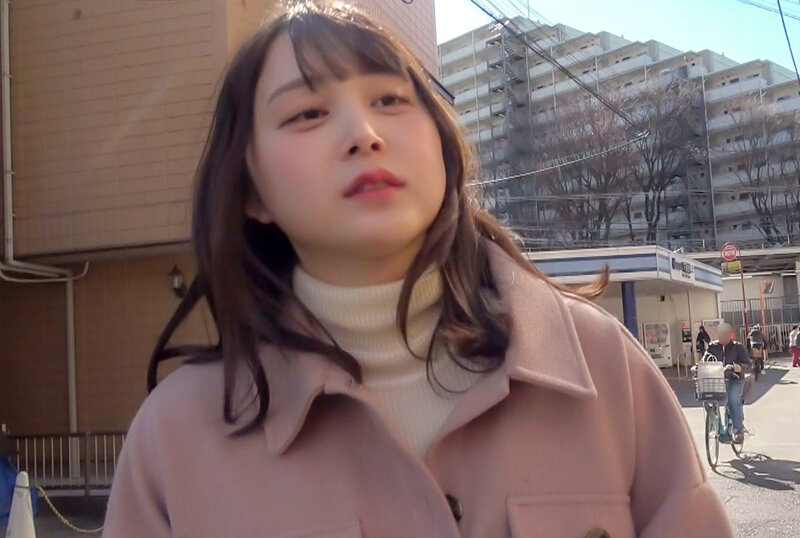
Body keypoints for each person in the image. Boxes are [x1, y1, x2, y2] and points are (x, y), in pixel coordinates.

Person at [102, 2, 733, 536]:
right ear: (250, 191)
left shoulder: (604, 368)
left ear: (441, 143)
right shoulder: (175, 437)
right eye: (307, 114)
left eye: (390, 99)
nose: (364, 132)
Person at [706, 323, 751, 443]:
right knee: (707, 398)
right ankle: (715, 425)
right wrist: (697, 367)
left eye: (726, 334)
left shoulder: (738, 347)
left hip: (735, 379)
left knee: (733, 401)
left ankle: (737, 431)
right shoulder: (712, 347)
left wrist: (740, 367)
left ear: (731, 335)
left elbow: (748, 365)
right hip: (716, 379)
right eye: (721, 334)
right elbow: (705, 360)